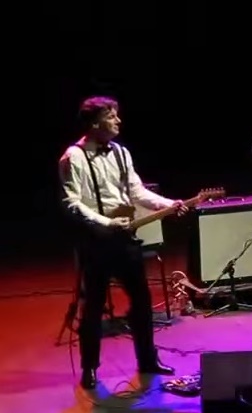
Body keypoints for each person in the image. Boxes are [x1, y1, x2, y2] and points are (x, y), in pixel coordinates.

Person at [59, 96, 183, 389]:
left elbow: (137, 192)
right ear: (94, 123)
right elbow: (72, 203)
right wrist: (106, 223)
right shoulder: (73, 157)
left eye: (117, 115)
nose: (118, 120)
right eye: (111, 116)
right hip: (96, 241)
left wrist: (169, 204)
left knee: (141, 301)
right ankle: (90, 367)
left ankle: (147, 359)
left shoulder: (121, 153)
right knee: (93, 306)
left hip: (125, 239)